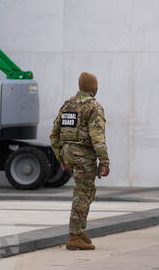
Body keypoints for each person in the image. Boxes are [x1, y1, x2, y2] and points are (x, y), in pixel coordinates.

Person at [50, 71, 109, 251]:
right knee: (83, 194)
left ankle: (79, 229)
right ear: (94, 88)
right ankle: (74, 235)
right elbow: (97, 136)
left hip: (69, 153)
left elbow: (54, 134)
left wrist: (61, 157)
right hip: (83, 156)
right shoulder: (93, 106)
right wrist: (104, 161)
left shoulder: (68, 105)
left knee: (84, 192)